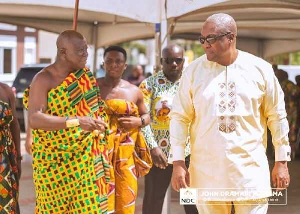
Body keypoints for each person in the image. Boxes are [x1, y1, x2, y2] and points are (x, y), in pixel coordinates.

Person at [170, 13, 290, 214]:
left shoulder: (260, 69)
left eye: (211, 38)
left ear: (231, 37)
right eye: (202, 39)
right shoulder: (193, 72)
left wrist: (282, 161)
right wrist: (178, 162)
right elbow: (179, 117)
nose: (205, 44)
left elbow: (277, 116)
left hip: (250, 173)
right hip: (207, 174)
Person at [24, 30, 110, 213]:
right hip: (53, 164)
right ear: (63, 52)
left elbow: (94, 109)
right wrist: (76, 122)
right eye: (81, 51)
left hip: (84, 159)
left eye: (86, 49)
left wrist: (98, 121)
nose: (86, 54)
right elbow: (34, 118)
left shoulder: (84, 76)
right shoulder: (43, 78)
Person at [140, 44, 198, 214]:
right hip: (160, 154)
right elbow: (142, 119)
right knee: (154, 199)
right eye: (169, 60)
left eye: (177, 60)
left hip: (187, 153)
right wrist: (153, 147)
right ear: (161, 61)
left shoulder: (191, 85)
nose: (173, 64)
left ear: (183, 61)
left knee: (190, 200)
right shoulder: (149, 84)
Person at [97, 46, 152, 214]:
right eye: (109, 61)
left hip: (125, 157)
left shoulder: (134, 91)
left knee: (126, 200)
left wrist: (137, 121)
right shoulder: (92, 87)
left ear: (125, 65)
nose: (114, 65)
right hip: (98, 155)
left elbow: (147, 116)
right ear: (103, 64)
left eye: (118, 61)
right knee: (99, 202)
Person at [0, 83, 21, 214]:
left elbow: (15, 125)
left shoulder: (5, 90)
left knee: (7, 204)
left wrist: (18, 158)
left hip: (5, 160)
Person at [274, 69, 298, 159]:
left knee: (285, 131)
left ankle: (286, 154)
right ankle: (290, 154)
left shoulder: (284, 84)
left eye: (278, 74)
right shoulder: (286, 84)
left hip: (287, 111)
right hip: (288, 111)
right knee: (289, 132)